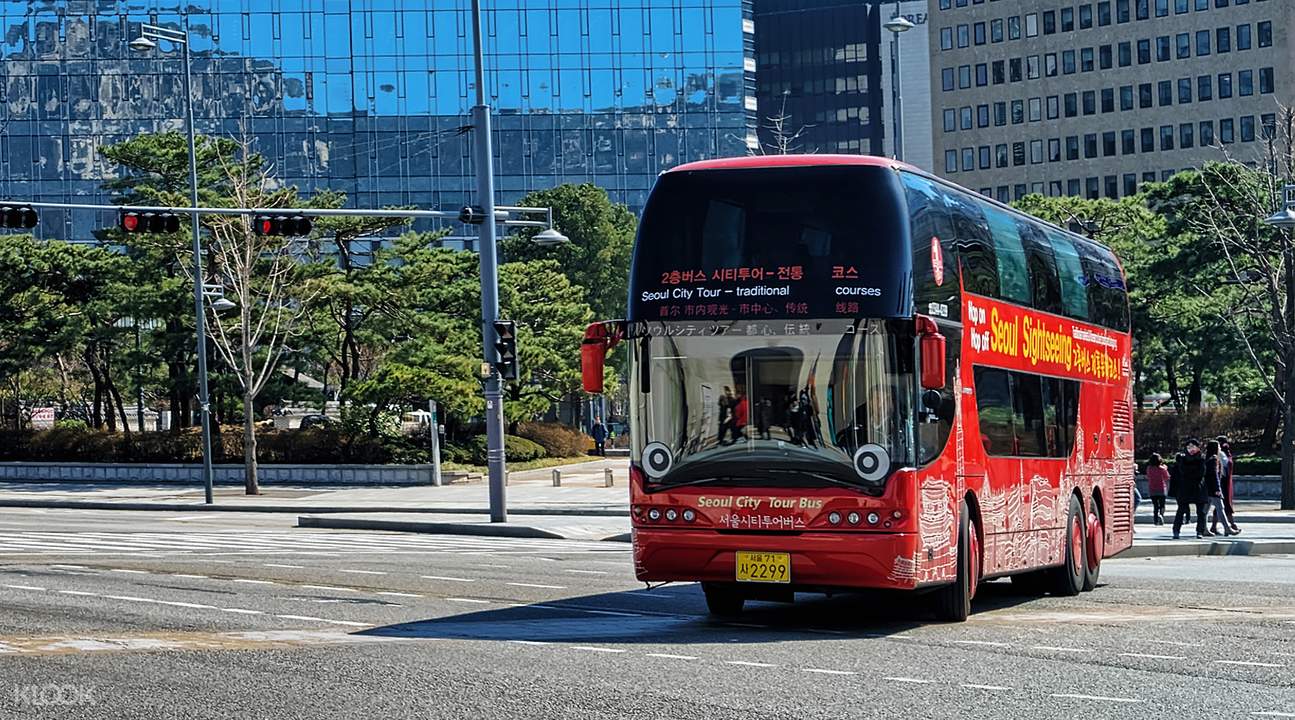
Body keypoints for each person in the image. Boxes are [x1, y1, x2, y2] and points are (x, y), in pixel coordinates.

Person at [1172, 438, 1208, 540]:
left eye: (1193, 447)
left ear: (1197, 448)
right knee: (1181, 510)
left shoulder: (1201, 458)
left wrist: (1189, 472)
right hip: (1184, 487)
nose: (1190, 449)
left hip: (1198, 487)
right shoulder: (1182, 459)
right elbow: (1181, 472)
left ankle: (1200, 531)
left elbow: (1201, 473)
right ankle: (1176, 530)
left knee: (1201, 512)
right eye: (1188, 447)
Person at [1202, 440, 1239, 538]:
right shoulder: (1214, 459)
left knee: (1205, 510)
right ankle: (1227, 528)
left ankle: (1204, 529)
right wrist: (1218, 489)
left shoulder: (1207, 458)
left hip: (1207, 487)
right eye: (1218, 447)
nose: (1220, 448)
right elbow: (1215, 475)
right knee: (1220, 508)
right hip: (1213, 488)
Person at [1212, 436, 1240, 535]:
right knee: (1223, 504)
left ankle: (1214, 526)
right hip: (1222, 482)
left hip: (1227, 482)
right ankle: (1231, 525)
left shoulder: (1226, 454)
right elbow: (1223, 468)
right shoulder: (1220, 454)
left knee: (1221, 505)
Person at [1146, 452, 1169, 525]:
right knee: (1162, 504)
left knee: (1155, 505)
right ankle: (1161, 515)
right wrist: (1165, 468)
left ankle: (1155, 520)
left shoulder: (1149, 468)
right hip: (1161, 488)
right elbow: (1167, 477)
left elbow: (1148, 476)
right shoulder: (1162, 468)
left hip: (1152, 488)